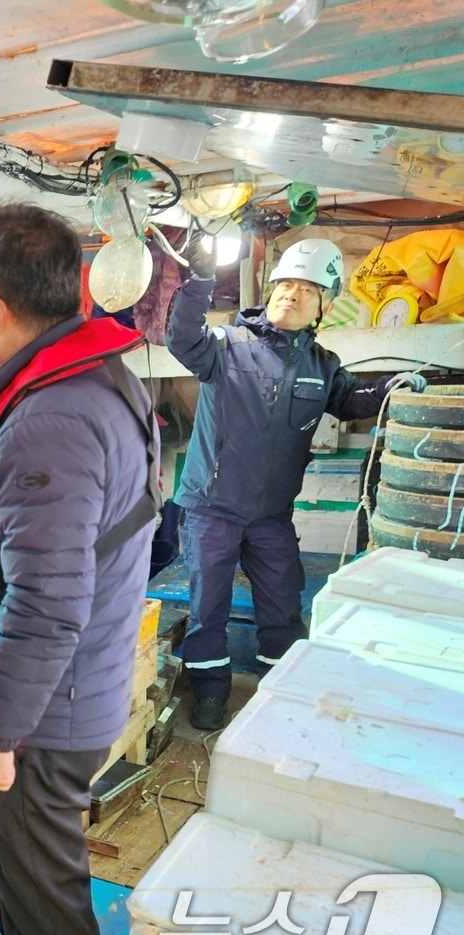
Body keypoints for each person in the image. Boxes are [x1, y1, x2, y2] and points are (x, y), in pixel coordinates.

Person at [0, 204, 160, 935]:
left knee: (46, 892)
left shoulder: (49, 422)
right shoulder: (96, 378)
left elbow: (46, 601)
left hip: (41, 714)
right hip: (63, 691)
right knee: (20, 874)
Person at [168, 237, 425, 731]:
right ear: (270, 291)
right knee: (207, 607)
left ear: (323, 305)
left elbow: (351, 399)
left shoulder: (322, 365)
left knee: (283, 605)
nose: (292, 294)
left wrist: (388, 385)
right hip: (212, 508)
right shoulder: (226, 346)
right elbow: (183, 340)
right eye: (285, 284)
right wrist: (199, 281)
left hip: (270, 517)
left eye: (307, 289)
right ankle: (210, 689)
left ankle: (278, 690)